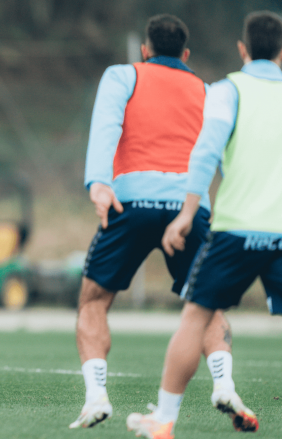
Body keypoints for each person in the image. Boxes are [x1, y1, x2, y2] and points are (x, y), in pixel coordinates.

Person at [71, 14, 239, 429]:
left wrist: (98, 183)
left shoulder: (123, 74)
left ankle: (96, 398)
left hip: (129, 204)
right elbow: (217, 148)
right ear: (185, 54)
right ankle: (225, 385)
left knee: (93, 301)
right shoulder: (207, 89)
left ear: (145, 50)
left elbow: (106, 125)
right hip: (188, 209)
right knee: (205, 303)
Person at [127, 11, 282, 438]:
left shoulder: (227, 90)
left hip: (235, 230)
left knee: (195, 318)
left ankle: (163, 421)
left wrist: (186, 213)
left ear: (243, 49)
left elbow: (205, 153)